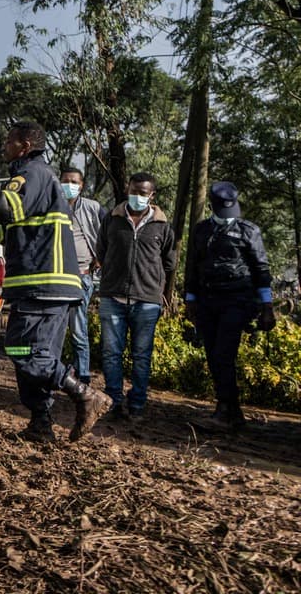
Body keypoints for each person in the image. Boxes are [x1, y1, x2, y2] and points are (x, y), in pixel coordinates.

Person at [0, 121, 109, 443]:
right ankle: (41, 424)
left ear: (25, 145)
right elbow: (10, 230)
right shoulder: (37, 180)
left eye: (9, 141)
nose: (4, 146)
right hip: (45, 287)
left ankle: (85, 394)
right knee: (38, 357)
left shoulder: (31, 175)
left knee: (22, 349)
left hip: (44, 284)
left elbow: (3, 208)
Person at [183, 182, 275, 431]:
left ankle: (226, 409)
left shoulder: (248, 230)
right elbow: (193, 266)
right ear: (212, 205)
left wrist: (267, 305)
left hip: (237, 301)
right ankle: (230, 410)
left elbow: (261, 269)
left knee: (224, 353)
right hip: (207, 301)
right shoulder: (202, 231)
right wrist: (190, 299)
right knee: (213, 355)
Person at [94, 172, 177, 420]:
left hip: (147, 301)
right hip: (113, 297)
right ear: (127, 189)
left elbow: (170, 262)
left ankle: (138, 403)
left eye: (143, 193)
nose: (137, 196)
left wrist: (155, 285)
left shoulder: (162, 226)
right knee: (111, 353)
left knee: (142, 355)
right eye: (133, 191)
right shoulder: (112, 219)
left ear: (152, 195)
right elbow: (102, 250)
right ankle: (114, 402)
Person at [60, 167, 105, 383]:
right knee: (56, 328)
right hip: (57, 277)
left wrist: (100, 257)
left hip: (82, 276)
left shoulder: (92, 208)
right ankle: (56, 371)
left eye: (74, 182)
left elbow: (108, 234)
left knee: (78, 328)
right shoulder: (52, 206)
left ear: (82, 185)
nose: (70, 185)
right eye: (66, 181)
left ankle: (83, 373)